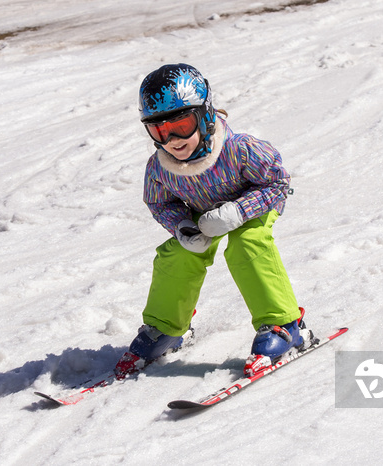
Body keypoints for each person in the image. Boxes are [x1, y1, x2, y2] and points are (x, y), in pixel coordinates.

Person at [114, 63, 314, 379]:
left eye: (181, 125)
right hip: (202, 213)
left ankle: (284, 324)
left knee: (247, 244)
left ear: (205, 115)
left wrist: (239, 211)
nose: (173, 140)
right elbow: (159, 202)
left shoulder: (239, 149)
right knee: (176, 254)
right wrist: (181, 226)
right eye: (159, 130)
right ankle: (166, 328)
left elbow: (277, 183)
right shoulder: (160, 168)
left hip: (252, 204)